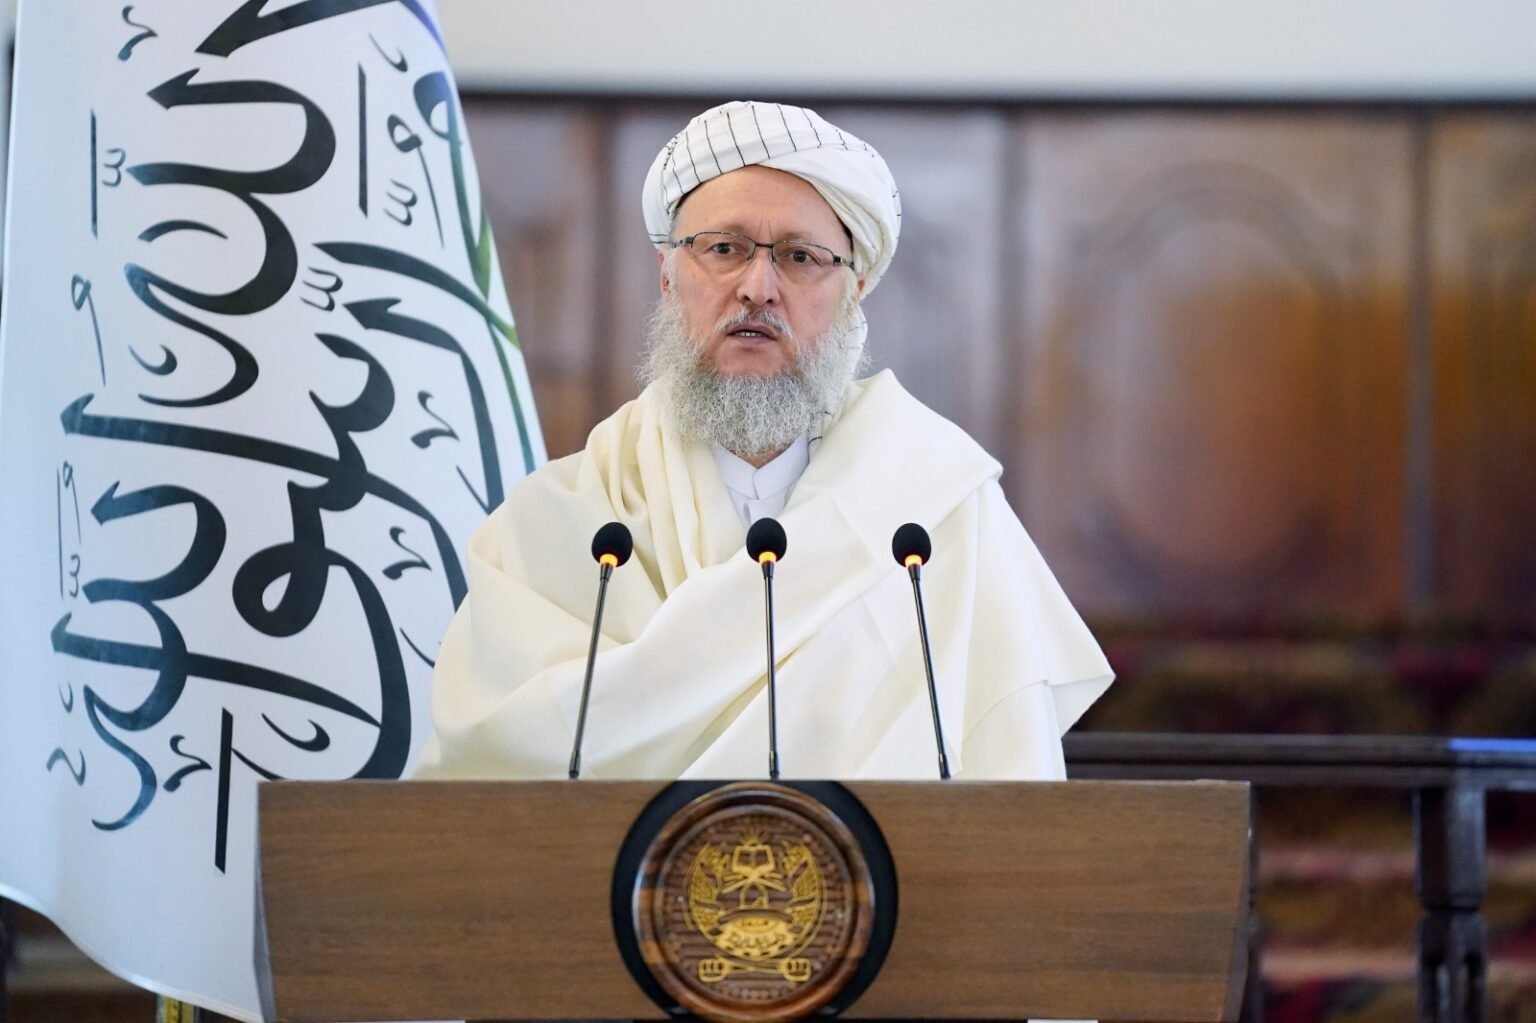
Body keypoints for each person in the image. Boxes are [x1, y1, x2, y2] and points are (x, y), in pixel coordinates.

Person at [413, 101, 1112, 781]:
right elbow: (496, 759)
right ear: (668, 277)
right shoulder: (557, 522)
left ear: (853, 293)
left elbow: (1008, 780)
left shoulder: (942, 511)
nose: (758, 287)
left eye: (801, 257)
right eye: (724, 249)